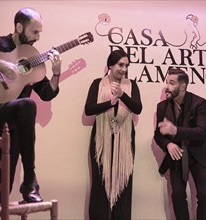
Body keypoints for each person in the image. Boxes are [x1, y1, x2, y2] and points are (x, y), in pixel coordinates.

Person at [0, 7, 62, 206]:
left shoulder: (32, 57)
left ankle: (25, 186)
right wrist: (0, 64)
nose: (38, 38)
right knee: (27, 105)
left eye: (40, 32)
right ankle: (30, 181)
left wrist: (56, 74)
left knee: (5, 177)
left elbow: (47, 94)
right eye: (34, 32)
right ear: (19, 27)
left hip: (11, 120)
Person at [85, 49, 142, 220]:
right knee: (100, 186)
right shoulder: (98, 83)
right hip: (101, 142)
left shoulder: (132, 85)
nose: (123, 69)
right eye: (120, 65)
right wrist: (110, 103)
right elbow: (89, 109)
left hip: (125, 143)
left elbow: (137, 108)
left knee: (123, 186)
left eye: (126, 65)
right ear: (110, 65)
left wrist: (122, 95)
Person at [154, 68, 206, 220]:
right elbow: (158, 134)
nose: (167, 87)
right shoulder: (162, 106)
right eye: (167, 82)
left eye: (171, 83)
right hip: (177, 155)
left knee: (204, 196)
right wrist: (168, 145)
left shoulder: (199, 103)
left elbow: (201, 132)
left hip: (199, 155)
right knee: (177, 195)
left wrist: (175, 130)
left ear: (182, 86)